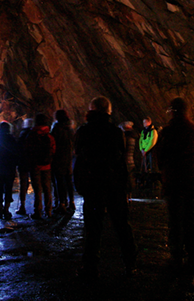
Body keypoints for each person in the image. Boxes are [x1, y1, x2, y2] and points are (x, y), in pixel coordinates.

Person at [74, 96, 137, 279]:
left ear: (91, 110)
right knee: (122, 226)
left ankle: (91, 266)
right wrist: (126, 187)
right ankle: (130, 262)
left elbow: (79, 157)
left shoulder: (84, 131)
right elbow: (121, 160)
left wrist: (81, 184)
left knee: (93, 228)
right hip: (114, 185)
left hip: (93, 185)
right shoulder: (115, 132)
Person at [158, 97, 194, 273]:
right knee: (191, 219)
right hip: (192, 181)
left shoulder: (169, 131)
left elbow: (161, 156)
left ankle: (177, 255)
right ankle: (193, 256)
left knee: (175, 219)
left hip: (175, 181)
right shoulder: (193, 130)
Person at [26, 114, 55, 219]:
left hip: (35, 166)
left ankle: (38, 211)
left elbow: (28, 150)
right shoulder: (49, 136)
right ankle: (49, 210)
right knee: (47, 188)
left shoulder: (31, 135)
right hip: (47, 166)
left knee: (37, 189)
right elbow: (53, 150)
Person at [0, 122, 19, 219]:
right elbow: (16, 152)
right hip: (9, 167)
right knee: (8, 188)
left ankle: (0, 210)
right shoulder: (11, 139)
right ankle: (6, 210)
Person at [51, 109, 75, 214]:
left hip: (58, 158)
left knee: (59, 182)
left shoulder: (56, 129)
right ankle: (71, 202)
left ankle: (62, 203)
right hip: (68, 158)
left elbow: (52, 143)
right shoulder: (70, 128)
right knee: (69, 181)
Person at [16, 118, 34, 215]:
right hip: (34, 163)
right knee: (37, 185)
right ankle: (39, 207)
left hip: (23, 163)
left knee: (23, 184)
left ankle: (22, 205)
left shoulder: (22, 135)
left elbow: (18, 150)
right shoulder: (35, 135)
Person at [120, 121, 138, 196]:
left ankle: (127, 194)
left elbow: (123, 149)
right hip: (131, 160)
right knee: (130, 177)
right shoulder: (134, 137)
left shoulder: (126, 138)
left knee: (126, 178)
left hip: (126, 161)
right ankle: (130, 193)